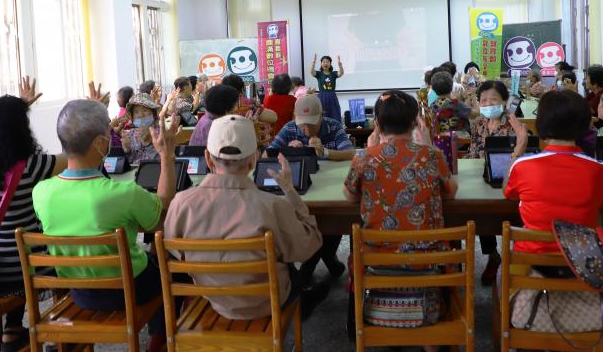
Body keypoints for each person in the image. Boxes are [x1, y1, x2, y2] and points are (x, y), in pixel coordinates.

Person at [33, 100, 180, 352]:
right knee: (174, 270)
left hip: (80, 291)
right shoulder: (122, 193)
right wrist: (166, 154)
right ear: (101, 144)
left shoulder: (41, 192)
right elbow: (163, 207)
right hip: (130, 288)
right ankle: (159, 341)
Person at [163, 115, 329, 321]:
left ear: (207, 158)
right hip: (268, 301)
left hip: (213, 299)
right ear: (254, 159)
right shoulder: (273, 206)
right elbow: (308, 246)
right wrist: (289, 190)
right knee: (288, 264)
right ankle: (303, 303)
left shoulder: (181, 202)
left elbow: (173, 249)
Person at [0, 77, 68, 351]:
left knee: (13, 247)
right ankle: (60, 325)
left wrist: (20, 108)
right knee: (65, 251)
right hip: (28, 264)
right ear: (20, 130)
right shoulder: (32, 165)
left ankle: (13, 327)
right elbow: (72, 155)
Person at [344, 90, 458, 345]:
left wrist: (370, 152)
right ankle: (430, 334)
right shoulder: (431, 155)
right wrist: (427, 145)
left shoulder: (364, 158)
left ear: (377, 124)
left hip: (377, 264)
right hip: (426, 264)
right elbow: (450, 191)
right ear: (415, 122)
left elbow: (349, 196)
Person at [504, 90, 603, 253]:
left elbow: (507, 191)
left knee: (502, 273)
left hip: (532, 259)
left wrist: (519, 148)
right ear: (585, 124)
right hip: (581, 261)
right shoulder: (601, 169)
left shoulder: (523, 165)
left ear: (542, 123)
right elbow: (598, 206)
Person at [270, 95, 355, 285]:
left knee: (333, 218)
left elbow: (350, 153)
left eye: (311, 124)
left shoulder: (332, 126)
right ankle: (328, 261)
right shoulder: (290, 128)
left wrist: (325, 152)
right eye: (302, 125)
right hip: (299, 188)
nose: (306, 129)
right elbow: (269, 153)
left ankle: (311, 269)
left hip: (329, 187)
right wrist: (290, 151)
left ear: (321, 117)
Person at [466, 80, 518, 285]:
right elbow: (472, 152)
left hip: (505, 180)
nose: (488, 104)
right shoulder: (479, 123)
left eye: (493, 99)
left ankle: (511, 259)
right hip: (480, 179)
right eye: (484, 100)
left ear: (504, 102)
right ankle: (493, 255)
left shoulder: (513, 125)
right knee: (477, 211)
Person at [430, 71, 475, 168]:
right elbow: (474, 115)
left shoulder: (433, 104)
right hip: (458, 141)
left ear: (433, 89)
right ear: (451, 87)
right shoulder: (454, 103)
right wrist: (474, 98)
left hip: (441, 140)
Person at [222, 74, 277, 147]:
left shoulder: (219, 105)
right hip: (251, 145)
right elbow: (274, 117)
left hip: (225, 145)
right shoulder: (250, 103)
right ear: (242, 89)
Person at [121, 93, 161, 166]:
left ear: (154, 113)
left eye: (145, 110)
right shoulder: (130, 134)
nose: (141, 115)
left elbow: (162, 161)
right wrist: (127, 150)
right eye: (136, 112)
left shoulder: (161, 133)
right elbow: (127, 164)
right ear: (132, 117)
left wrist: (148, 143)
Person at [310, 54, 344, 122]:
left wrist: (340, 65)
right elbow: (312, 72)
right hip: (322, 96)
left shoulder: (333, 74)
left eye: (327, 62)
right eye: (324, 62)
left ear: (330, 64)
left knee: (334, 114)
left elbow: (341, 73)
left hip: (332, 96)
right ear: (321, 64)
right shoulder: (319, 74)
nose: (325, 63)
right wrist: (313, 63)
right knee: (322, 115)